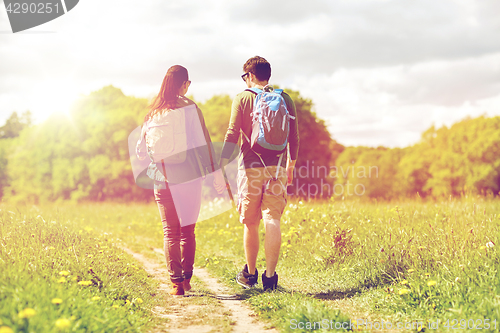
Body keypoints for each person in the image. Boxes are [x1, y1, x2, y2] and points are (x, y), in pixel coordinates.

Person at [136, 65, 225, 296]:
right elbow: (203, 143)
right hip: (189, 177)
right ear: (184, 84)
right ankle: (186, 280)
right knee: (187, 230)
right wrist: (215, 174)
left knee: (169, 232)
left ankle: (175, 284)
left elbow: (140, 152)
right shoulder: (190, 108)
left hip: (161, 178)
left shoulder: (153, 112)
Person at [220, 56, 299, 291]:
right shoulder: (285, 99)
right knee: (272, 219)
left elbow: (233, 133)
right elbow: (294, 137)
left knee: (251, 222)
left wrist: (222, 162)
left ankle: (250, 274)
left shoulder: (243, 97)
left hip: (250, 167)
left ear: (250, 76)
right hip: (277, 169)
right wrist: (290, 166)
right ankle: (271, 278)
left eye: (245, 76)